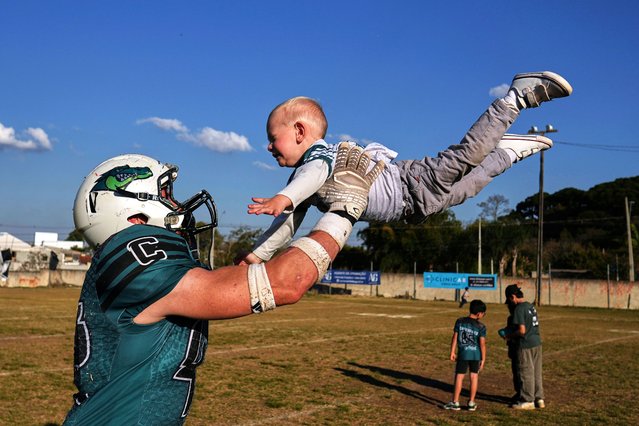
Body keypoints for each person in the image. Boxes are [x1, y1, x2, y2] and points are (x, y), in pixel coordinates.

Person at [63, 144, 383, 425]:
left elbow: (230, 283)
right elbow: (287, 282)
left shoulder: (126, 262)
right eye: (166, 196)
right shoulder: (130, 249)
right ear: (133, 216)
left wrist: (263, 249)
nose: (179, 206)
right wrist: (344, 211)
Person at [238, 71, 573, 265]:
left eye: (273, 138)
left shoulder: (318, 158)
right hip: (416, 208)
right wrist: (258, 255)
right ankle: (509, 152)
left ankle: (516, 96)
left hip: (411, 183)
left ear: (299, 132)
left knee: (467, 156)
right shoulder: (303, 181)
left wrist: (282, 196)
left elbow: (309, 179)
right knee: (472, 186)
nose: (269, 146)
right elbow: (288, 223)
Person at [503, 284, 544, 410]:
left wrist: (509, 336)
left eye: (510, 300)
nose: (510, 303)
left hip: (525, 344)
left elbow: (521, 330)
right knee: (536, 372)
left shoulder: (519, 309)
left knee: (526, 372)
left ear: (513, 297)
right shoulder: (530, 306)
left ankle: (527, 400)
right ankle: (539, 399)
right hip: (536, 342)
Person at [443, 299, 487, 411]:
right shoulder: (481, 326)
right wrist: (483, 358)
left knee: (459, 376)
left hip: (463, 354)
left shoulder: (460, 321)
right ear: (479, 314)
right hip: (475, 355)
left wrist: (452, 351)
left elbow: (455, 337)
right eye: (483, 313)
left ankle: (455, 402)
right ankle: (471, 403)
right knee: (474, 376)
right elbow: (482, 344)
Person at [499, 284, 522, 404]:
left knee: (520, 371)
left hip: (520, 347)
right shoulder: (510, 318)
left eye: (508, 304)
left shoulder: (519, 314)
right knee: (515, 370)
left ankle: (522, 393)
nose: (508, 307)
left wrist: (508, 335)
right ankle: (518, 392)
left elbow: (521, 331)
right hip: (513, 347)